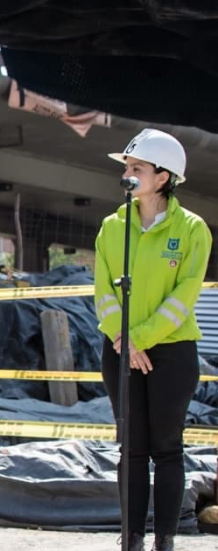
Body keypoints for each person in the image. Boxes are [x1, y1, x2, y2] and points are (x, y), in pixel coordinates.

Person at [95, 128, 212, 551]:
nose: (127, 174)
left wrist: (141, 338)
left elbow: (184, 297)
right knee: (131, 450)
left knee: (166, 449)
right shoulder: (112, 227)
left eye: (136, 168)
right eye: (127, 167)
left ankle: (164, 540)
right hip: (121, 351)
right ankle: (131, 539)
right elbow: (103, 292)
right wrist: (126, 342)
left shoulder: (193, 230)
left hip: (173, 354)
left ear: (163, 177)